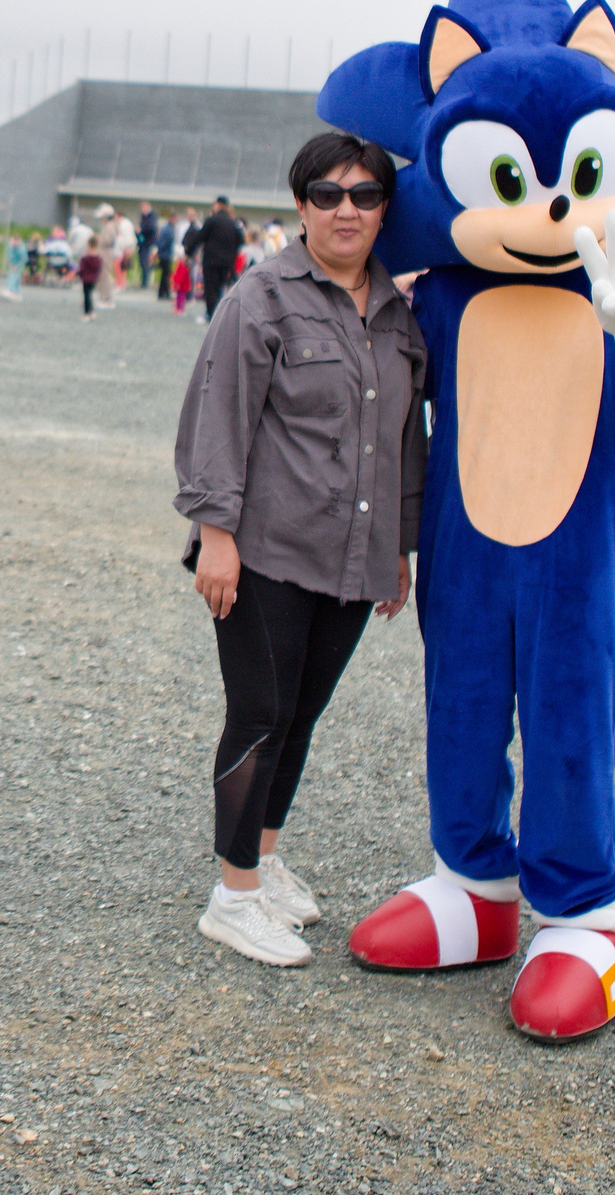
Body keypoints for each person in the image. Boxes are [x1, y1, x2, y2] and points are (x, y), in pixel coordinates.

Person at [173, 133, 424, 966]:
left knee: (302, 713)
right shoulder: (262, 298)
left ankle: (265, 857)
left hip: (352, 554)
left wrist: (400, 545)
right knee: (259, 713)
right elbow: (220, 416)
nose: (344, 208)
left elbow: (402, 439)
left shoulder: (395, 311)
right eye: (326, 194)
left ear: (385, 207)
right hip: (265, 550)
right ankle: (233, 892)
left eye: (362, 194)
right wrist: (216, 536)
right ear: (301, 205)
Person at [182, 195, 246, 320]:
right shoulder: (233, 223)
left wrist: (189, 252)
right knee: (224, 287)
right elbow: (241, 241)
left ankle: (211, 314)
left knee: (211, 288)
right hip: (227, 262)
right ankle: (222, 315)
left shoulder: (212, 220)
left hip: (211, 260)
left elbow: (200, 237)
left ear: (217, 205)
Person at [77, 239, 103, 320]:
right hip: (94, 279)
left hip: (86, 279)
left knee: (86, 296)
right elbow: (99, 269)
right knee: (90, 295)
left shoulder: (85, 259)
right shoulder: (98, 259)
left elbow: (82, 270)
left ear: (88, 246)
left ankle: (86, 313)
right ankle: (91, 311)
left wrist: (78, 276)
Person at [137, 201, 159, 287]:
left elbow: (151, 228)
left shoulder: (152, 217)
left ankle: (145, 282)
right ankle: (143, 280)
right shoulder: (143, 217)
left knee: (146, 262)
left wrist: (141, 229)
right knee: (142, 262)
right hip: (142, 243)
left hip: (149, 243)